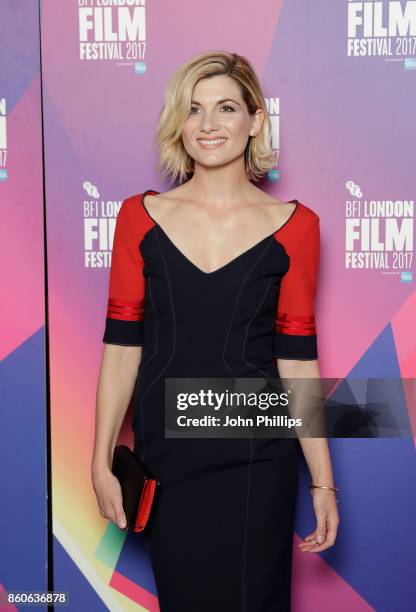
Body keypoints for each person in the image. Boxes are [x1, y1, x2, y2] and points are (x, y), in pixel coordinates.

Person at [91, 50, 339, 611]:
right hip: (169, 464)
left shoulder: (298, 227)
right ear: (179, 123)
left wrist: (323, 482)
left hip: (257, 461)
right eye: (194, 109)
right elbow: (121, 348)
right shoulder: (139, 217)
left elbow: (297, 362)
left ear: (255, 121)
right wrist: (100, 458)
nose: (208, 125)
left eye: (226, 108)